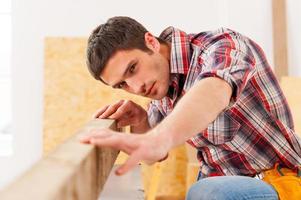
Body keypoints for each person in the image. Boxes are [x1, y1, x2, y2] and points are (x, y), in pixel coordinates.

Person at [80, 16, 301, 200]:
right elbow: (151, 157)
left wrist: (159, 138)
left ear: (151, 42)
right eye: (122, 85)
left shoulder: (223, 46)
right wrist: (141, 122)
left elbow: (214, 88)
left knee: (206, 193)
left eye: (132, 68)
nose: (136, 87)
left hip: (284, 181)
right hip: (219, 180)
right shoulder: (161, 88)